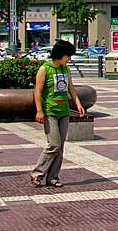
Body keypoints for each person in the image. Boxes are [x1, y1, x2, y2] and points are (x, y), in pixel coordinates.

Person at [30, 40, 86, 188]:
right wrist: (39, 111)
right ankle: (37, 173)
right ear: (60, 55)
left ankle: (53, 177)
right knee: (54, 144)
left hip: (64, 112)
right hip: (50, 111)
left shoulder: (65, 69)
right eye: (68, 56)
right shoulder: (45, 69)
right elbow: (38, 91)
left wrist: (78, 103)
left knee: (60, 147)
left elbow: (71, 88)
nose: (69, 59)